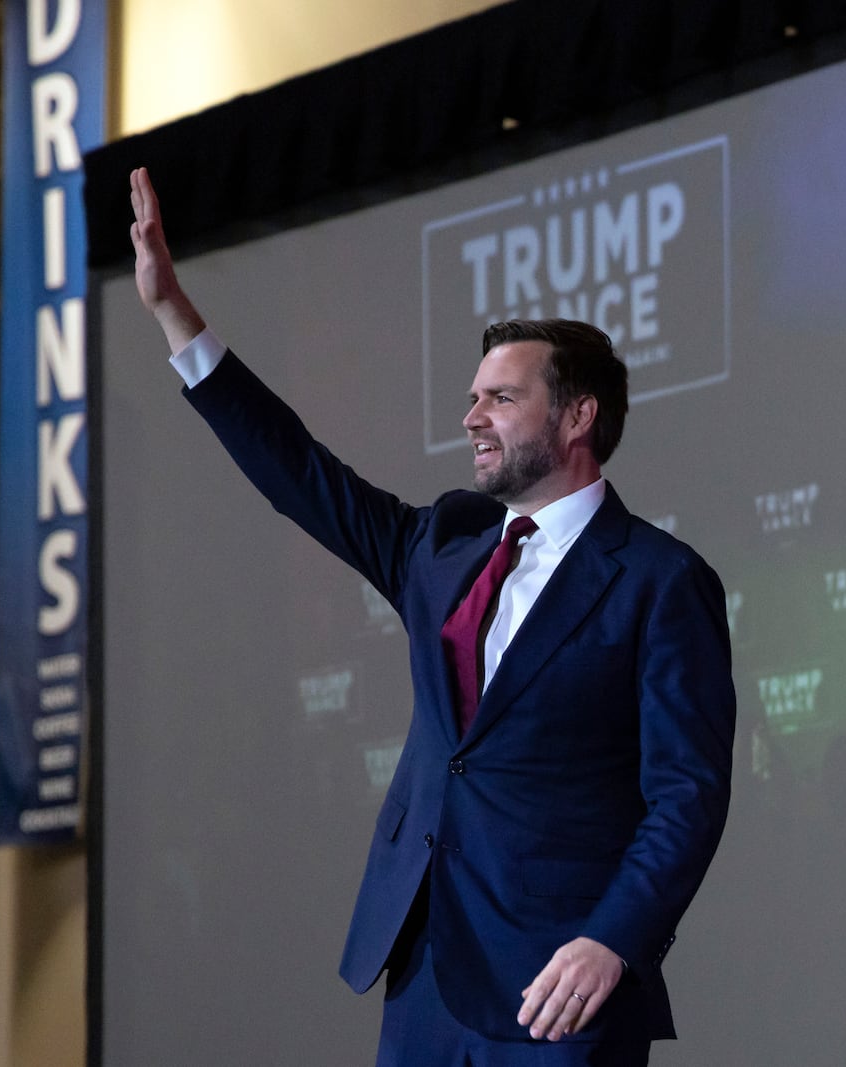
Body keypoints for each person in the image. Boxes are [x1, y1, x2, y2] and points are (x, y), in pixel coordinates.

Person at [129, 166, 735, 1065]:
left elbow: (687, 795)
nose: (472, 416)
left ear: (578, 416)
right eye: (473, 396)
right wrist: (176, 314)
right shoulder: (443, 549)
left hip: (558, 988)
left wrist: (614, 938)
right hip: (422, 972)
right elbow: (302, 472)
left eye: (500, 396)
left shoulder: (658, 579)